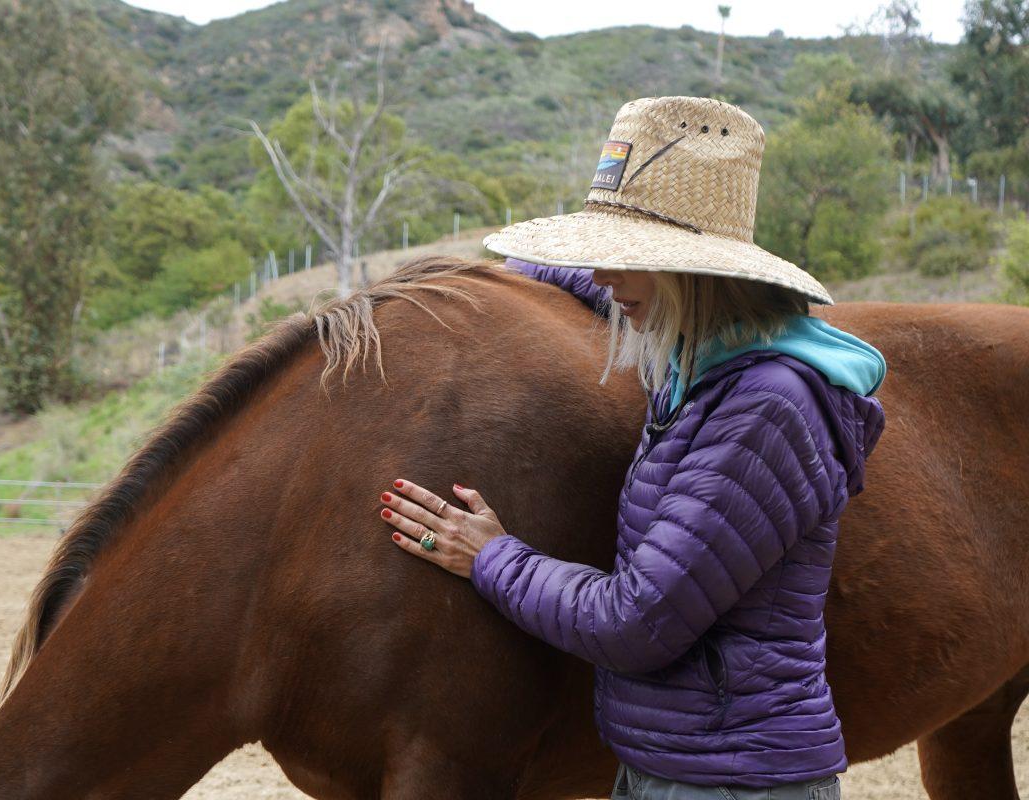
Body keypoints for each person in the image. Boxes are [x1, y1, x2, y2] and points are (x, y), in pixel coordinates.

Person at [377, 96, 886, 800]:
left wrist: (490, 556)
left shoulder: (764, 411)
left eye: (625, 256)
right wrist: (498, 281)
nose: (605, 276)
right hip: (676, 766)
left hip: (733, 784)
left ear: (694, 271)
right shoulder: (703, 352)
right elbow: (587, 279)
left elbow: (638, 621)